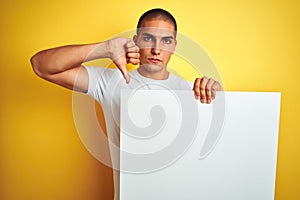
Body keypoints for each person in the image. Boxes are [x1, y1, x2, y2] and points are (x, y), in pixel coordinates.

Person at [30, 8, 223, 200]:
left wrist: (219, 93)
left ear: (174, 45)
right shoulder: (111, 82)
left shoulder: (193, 92)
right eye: (148, 38)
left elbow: (217, 153)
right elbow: (42, 66)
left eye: (166, 41)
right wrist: (105, 48)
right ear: (136, 40)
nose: (157, 49)